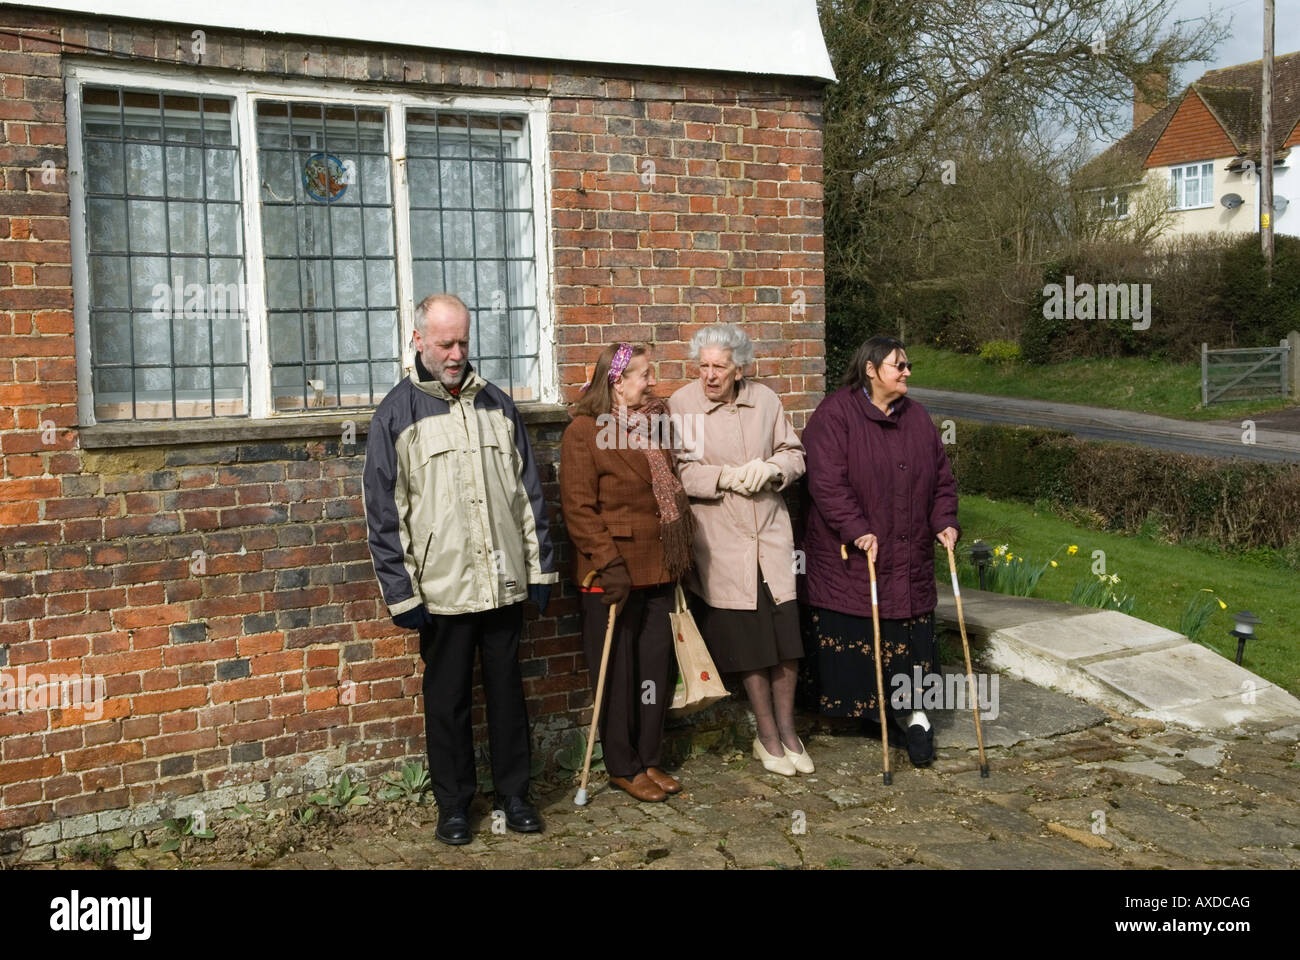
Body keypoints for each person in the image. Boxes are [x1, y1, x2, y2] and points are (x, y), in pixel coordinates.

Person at [363, 293, 558, 845]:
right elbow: (384, 514)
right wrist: (403, 594)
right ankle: (453, 806)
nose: (455, 353)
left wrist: (540, 570)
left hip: (502, 583)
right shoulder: (394, 416)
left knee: (506, 693)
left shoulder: (498, 404)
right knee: (446, 702)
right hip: (441, 590)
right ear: (419, 341)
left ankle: (515, 795)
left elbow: (528, 495)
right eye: (444, 343)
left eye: (463, 342)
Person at [798, 335, 959, 767]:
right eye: (898, 365)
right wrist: (856, 528)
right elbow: (826, 482)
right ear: (871, 369)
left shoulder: (919, 418)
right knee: (867, 637)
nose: (907, 372)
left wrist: (944, 521)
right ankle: (875, 713)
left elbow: (942, 480)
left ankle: (915, 715)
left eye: (907, 365)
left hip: (910, 560)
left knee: (910, 637)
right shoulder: (836, 415)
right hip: (858, 556)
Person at [668, 324, 811, 776]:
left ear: (739, 368)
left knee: (786, 639)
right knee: (751, 643)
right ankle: (766, 736)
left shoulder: (765, 400)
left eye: (719, 367)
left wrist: (771, 469)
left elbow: (795, 454)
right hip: (722, 541)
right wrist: (723, 478)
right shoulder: (682, 406)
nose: (709, 375)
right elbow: (678, 472)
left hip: (770, 536)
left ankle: (790, 732)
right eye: (703, 366)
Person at [560, 342, 694, 802]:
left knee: (655, 667)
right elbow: (578, 508)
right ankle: (622, 764)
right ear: (617, 382)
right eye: (644, 374)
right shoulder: (583, 431)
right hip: (612, 574)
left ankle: (649, 756)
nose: (652, 382)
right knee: (616, 671)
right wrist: (608, 562)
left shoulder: (652, 426)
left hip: (656, 567)